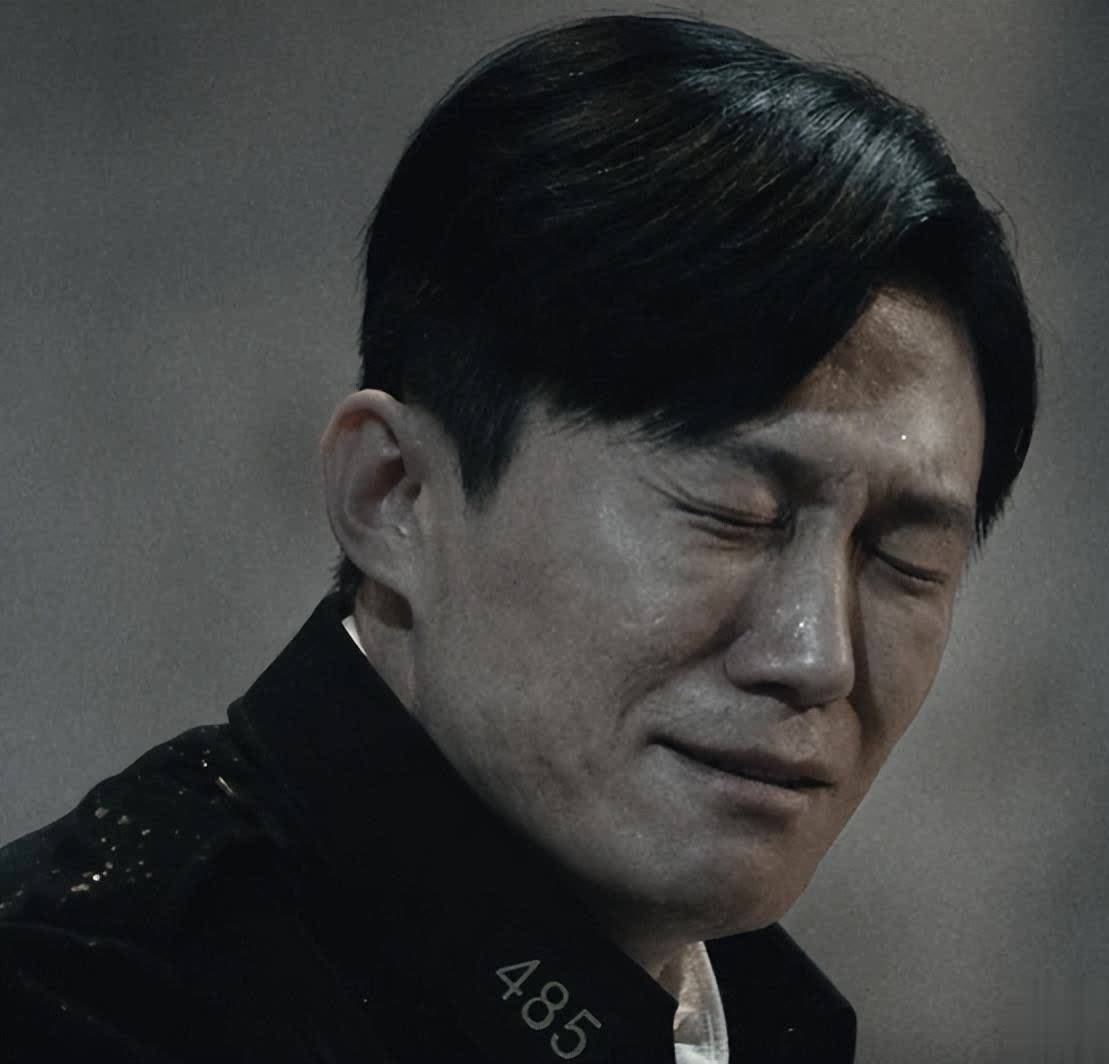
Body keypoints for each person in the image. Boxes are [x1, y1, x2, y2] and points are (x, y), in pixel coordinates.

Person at [0, 13, 1036, 1063]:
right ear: (394, 494)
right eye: (730, 512)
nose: (815, 655)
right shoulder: (81, 996)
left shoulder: (752, 1015)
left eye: (904, 558)